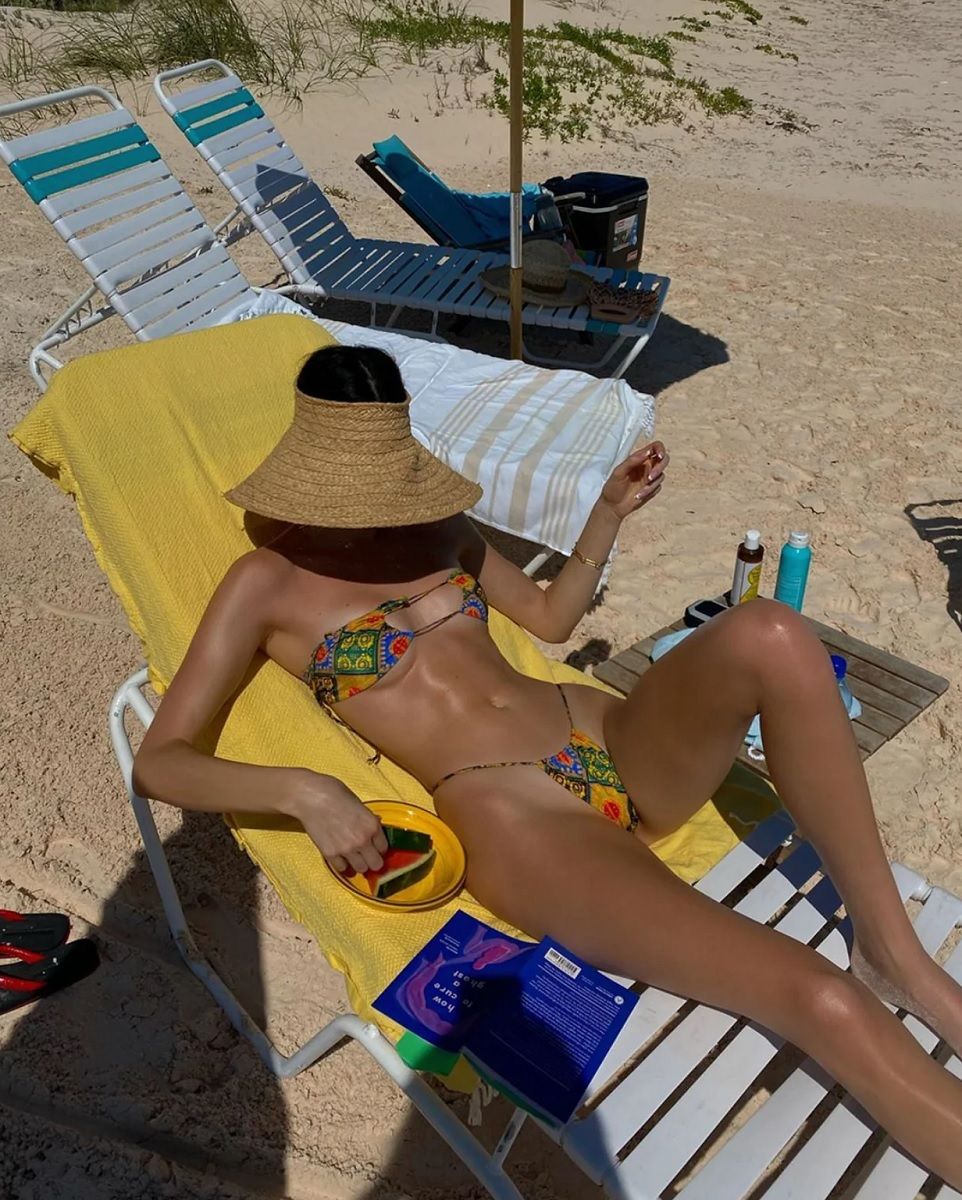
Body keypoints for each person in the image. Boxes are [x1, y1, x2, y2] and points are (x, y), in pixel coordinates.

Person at [133, 344, 962, 1185]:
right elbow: (162, 760)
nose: (381, 515)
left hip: (607, 736)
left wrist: (606, 512)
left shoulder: (434, 524)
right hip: (516, 818)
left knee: (772, 633)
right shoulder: (265, 582)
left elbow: (550, 619)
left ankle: (894, 952)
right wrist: (305, 790)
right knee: (819, 996)